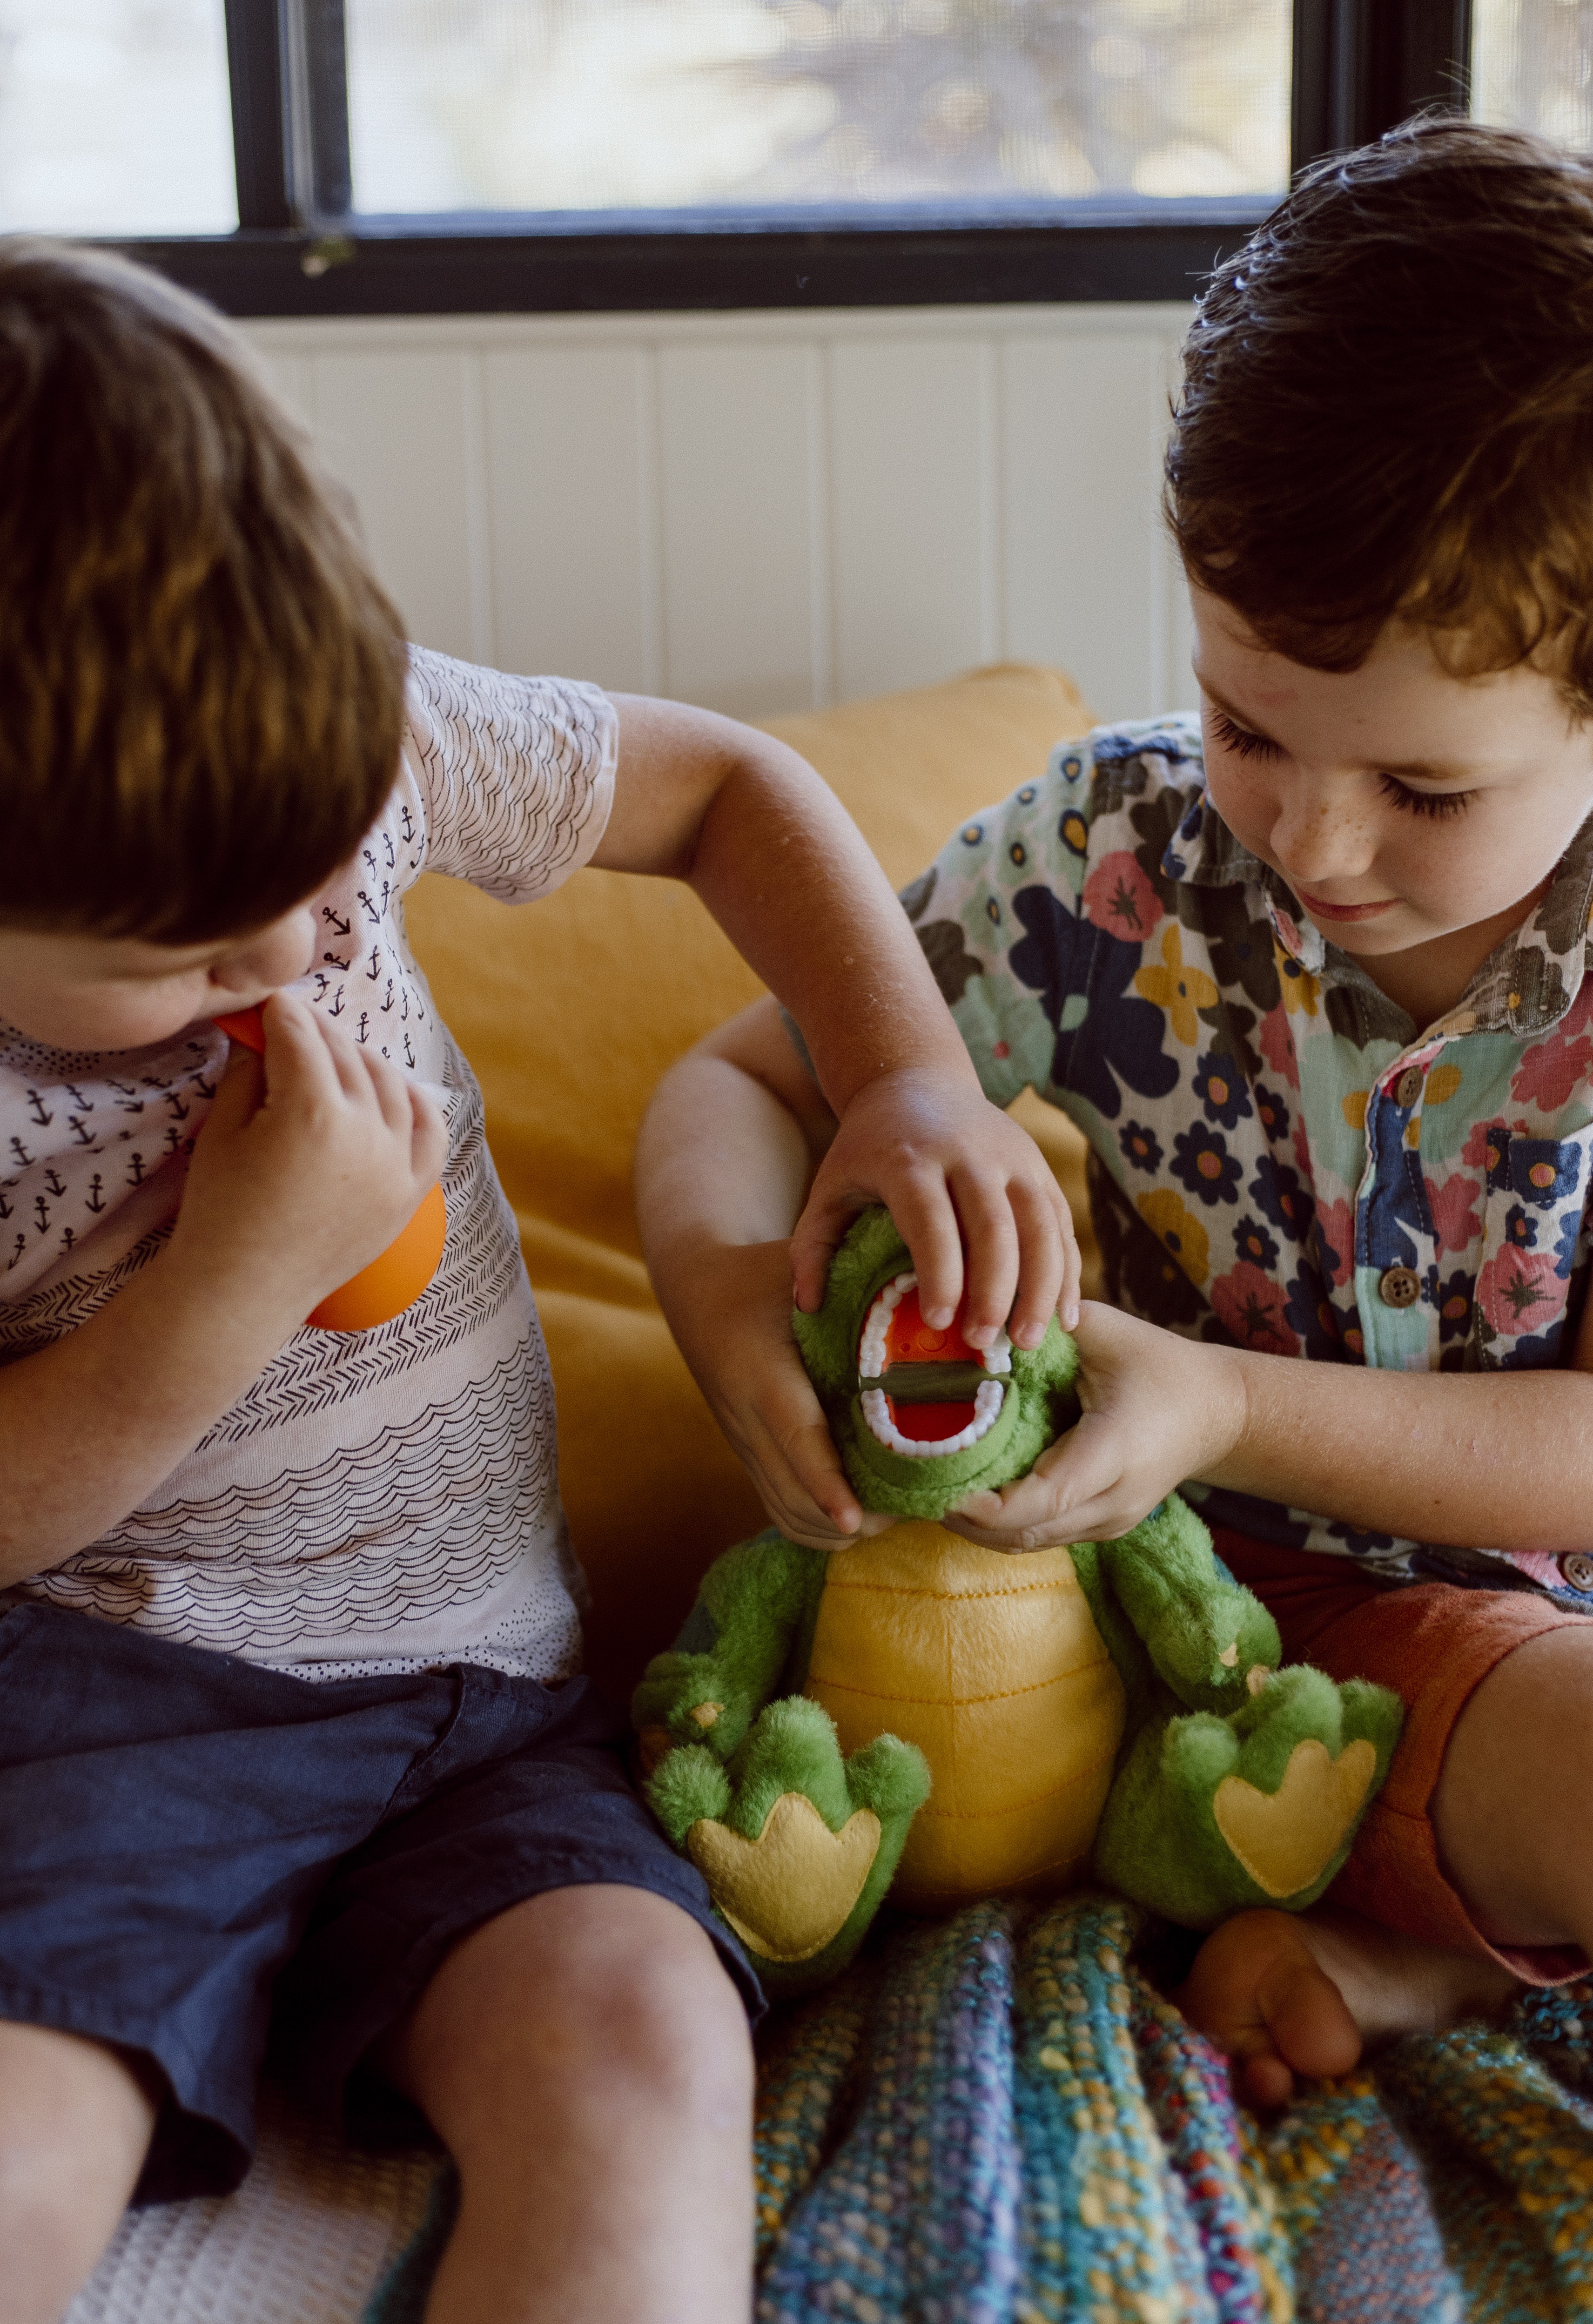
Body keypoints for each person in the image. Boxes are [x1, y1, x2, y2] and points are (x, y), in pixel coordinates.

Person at [0, 239, 1074, 2324]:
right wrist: (232, 1280)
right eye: (197, 956)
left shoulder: (354, 746)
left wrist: (907, 1078)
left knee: (653, 2053)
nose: (303, 952)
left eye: (327, 884)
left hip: (494, 1702)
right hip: (107, 1711)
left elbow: (732, 792)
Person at [636, 115, 1593, 2112]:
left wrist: (1227, 1396)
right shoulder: (1110, 855)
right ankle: (1398, 1937)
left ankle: (1418, 1960)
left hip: (1466, 1645)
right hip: (1097, 1611)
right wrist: (732, 1306)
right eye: (1248, 723)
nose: (1311, 839)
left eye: (1421, 789)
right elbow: (740, 1077)